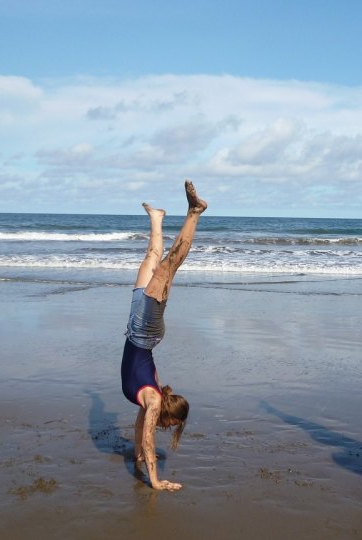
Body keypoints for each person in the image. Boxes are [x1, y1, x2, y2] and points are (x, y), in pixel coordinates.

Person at [121, 179, 207, 491]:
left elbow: (141, 433)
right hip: (143, 331)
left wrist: (137, 456)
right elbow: (147, 438)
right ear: (170, 418)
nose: (165, 428)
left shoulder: (150, 402)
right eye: (172, 426)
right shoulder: (153, 399)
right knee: (169, 265)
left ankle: (157, 217)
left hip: (136, 327)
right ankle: (194, 212)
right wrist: (155, 481)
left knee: (152, 257)